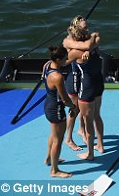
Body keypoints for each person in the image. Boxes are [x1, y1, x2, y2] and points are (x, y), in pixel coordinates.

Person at [63, 15, 104, 160]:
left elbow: (95, 38)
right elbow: (70, 45)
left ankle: (82, 131)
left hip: (88, 80)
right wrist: (88, 46)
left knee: (88, 113)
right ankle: (68, 138)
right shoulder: (70, 42)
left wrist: (90, 45)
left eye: (88, 27)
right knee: (75, 109)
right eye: (85, 28)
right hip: (75, 78)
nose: (88, 30)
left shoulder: (88, 41)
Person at [43, 45, 77, 178]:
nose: (66, 61)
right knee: (58, 139)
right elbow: (65, 99)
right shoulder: (57, 77)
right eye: (64, 59)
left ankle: (48, 158)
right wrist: (73, 108)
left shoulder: (47, 65)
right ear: (57, 59)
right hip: (56, 109)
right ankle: (54, 170)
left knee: (54, 133)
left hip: (48, 105)